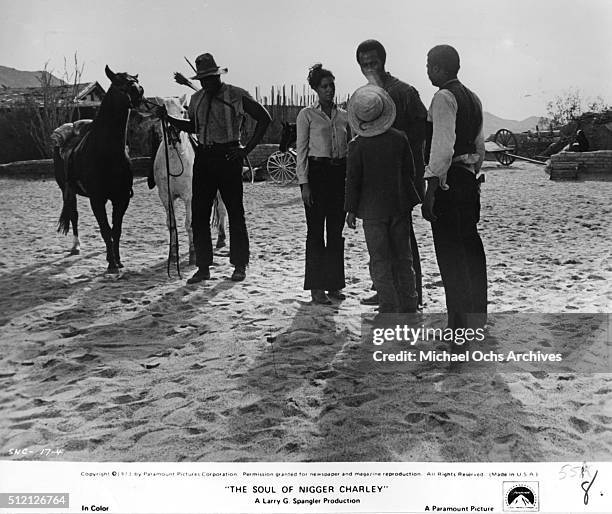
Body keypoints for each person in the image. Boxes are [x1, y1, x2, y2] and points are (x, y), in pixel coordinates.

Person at [160, 53, 271, 283]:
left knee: (235, 213)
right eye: (202, 79)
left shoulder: (236, 95)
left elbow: (264, 118)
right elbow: (192, 126)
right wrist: (169, 119)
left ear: (217, 75)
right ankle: (203, 267)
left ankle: (239, 265)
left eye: (210, 78)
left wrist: (245, 150)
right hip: (204, 159)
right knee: (199, 215)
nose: (206, 83)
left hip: (229, 158)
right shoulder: (198, 98)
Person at [355, 39, 427, 309]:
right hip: (374, 184)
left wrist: (397, 146)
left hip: (400, 180)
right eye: (364, 64)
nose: (369, 68)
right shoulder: (364, 97)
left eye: (373, 62)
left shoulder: (405, 91)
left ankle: (413, 294)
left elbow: (423, 131)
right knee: (380, 245)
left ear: (384, 61)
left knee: (404, 240)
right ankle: (385, 291)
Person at [421, 45, 487, 333]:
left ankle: (458, 326)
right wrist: (470, 175)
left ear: (438, 68)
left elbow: (442, 148)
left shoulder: (443, 98)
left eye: (428, 66)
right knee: (471, 249)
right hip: (469, 181)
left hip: (449, 183)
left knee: (450, 255)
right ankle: (476, 319)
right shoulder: (473, 98)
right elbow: (480, 147)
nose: (426, 71)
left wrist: (432, 188)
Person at [345, 84, 420, 314]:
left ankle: (388, 304)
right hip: (399, 206)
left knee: (380, 260)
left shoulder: (357, 146)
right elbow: (411, 171)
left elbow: (353, 181)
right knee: (403, 258)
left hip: (371, 211)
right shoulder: (400, 139)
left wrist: (350, 210)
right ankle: (410, 303)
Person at [296, 64, 349, 304]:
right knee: (316, 231)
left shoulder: (344, 115)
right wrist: (304, 184)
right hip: (316, 175)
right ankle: (316, 287)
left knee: (336, 232)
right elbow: (302, 152)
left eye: (332, 86)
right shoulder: (307, 114)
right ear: (316, 89)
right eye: (324, 86)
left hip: (338, 174)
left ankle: (334, 285)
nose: (329, 90)